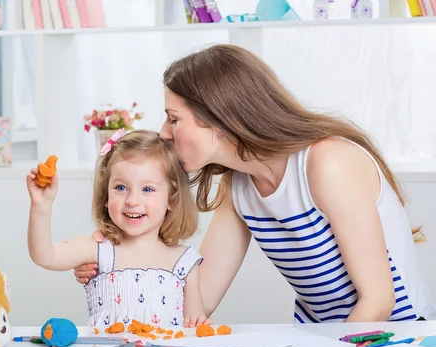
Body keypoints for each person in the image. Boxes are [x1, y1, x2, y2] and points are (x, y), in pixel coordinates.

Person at [73, 44, 436, 323]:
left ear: (218, 118)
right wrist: (118, 267)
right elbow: (200, 295)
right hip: (322, 337)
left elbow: (379, 301)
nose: (164, 133)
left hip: (394, 336)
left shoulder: (327, 163)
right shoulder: (241, 187)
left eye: (173, 119)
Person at [26, 129, 211, 329]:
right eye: (121, 188)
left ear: (171, 198)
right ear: (106, 196)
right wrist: (41, 208)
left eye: (147, 189)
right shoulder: (97, 249)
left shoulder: (185, 263)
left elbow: (193, 327)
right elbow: (45, 256)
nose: (132, 200)